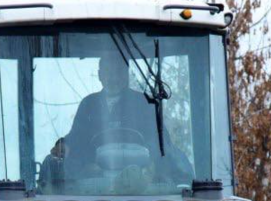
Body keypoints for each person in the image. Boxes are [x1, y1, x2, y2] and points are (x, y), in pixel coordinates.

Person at [45, 54, 192, 180]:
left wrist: (149, 163)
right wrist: (65, 145)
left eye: (118, 72)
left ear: (126, 74)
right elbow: (76, 137)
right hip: (95, 177)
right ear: (100, 75)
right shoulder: (89, 104)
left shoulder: (144, 103)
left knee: (178, 160)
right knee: (51, 163)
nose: (113, 77)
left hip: (139, 179)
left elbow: (160, 140)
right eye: (108, 72)